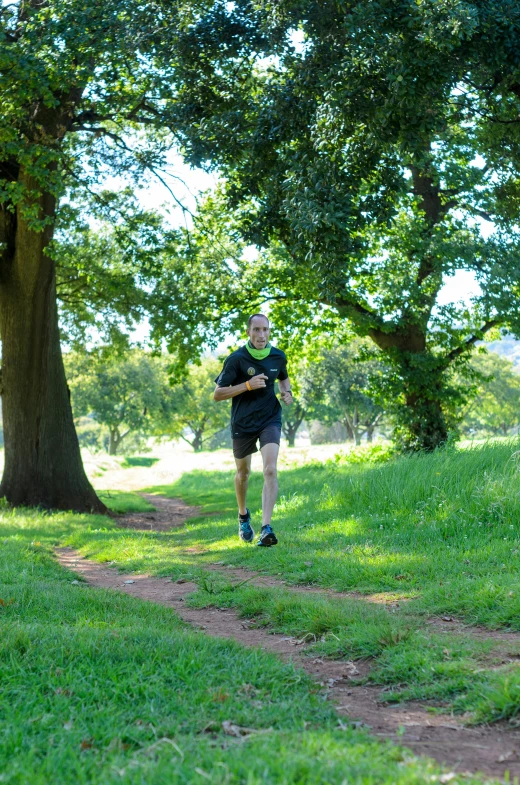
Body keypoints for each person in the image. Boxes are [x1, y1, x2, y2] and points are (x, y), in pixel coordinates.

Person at [214, 314, 293, 546]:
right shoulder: (236, 359)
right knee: (243, 473)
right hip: (243, 423)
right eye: (256, 330)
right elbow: (218, 394)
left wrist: (287, 393)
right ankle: (243, 516)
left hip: (270, 418)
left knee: (270, 469)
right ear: (248, 332)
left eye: (265, 330)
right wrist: (247, 385)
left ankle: (266, 528)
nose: (261, 335)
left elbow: (284, 380)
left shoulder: (278, 356)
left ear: (269, 331)